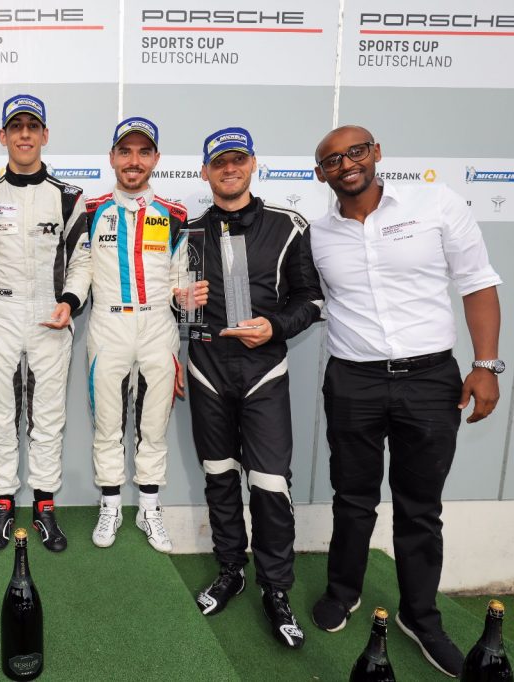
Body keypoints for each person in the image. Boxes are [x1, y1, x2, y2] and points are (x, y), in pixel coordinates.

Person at [310, 125, 503, 677]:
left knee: (420, 506)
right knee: (352, 496)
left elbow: (477, 282)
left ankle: (420, 616)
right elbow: (303, 299)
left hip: (430, 380)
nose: (347, 164)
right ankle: (343, 591)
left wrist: (485, 365)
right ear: (320, 174)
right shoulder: (317, 234)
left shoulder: (434, 203)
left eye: (356, 151)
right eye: (332, 159)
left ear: (376, 153)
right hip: (353, 380)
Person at [186, 128, 323, 649]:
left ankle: (276, 589)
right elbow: (183, 309)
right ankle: (230, 570)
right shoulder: (189, 231)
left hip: (263, 370)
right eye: (219, 162)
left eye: (237, 160)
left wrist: (275, 327)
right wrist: (180, 303)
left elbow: (312, 300)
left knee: (269, 483)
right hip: (207, 369)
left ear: (252, 165)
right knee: (219, 476)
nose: (229, 169)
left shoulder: (288, 225)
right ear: (205, 171)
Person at [62, 117, 206, 553]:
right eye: (125, 151)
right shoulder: (91, 210)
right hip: (108, 323)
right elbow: (82, 268)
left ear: (156, 159)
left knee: (153, 424)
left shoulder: (174, 214)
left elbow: (181, 278)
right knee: (107, 422)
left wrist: (185, 298)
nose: (134, 161)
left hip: (158, 326)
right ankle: (110, 506)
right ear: (112, 157)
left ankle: (148, 508)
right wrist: (68, 301)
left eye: (144, 152)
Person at [0, 94, 88, 552]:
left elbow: (82, 261)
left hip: (51, 315)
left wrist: (70, 301)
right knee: (0, 415)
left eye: (33, 127)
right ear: (3, 136)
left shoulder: (69, 197)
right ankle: (2, 506)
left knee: (48, 417)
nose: (25, 135)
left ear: (45, 135)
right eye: (16, 127)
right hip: (0, 313)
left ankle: (44, 507)